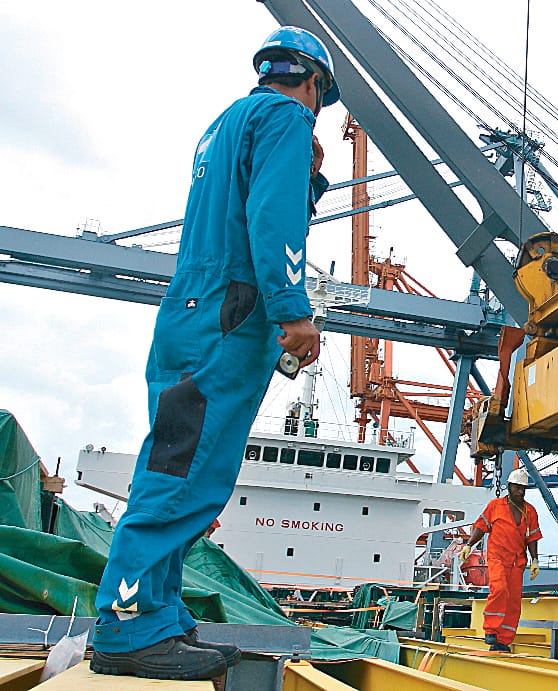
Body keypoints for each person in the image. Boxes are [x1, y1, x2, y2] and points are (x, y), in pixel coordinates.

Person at [89, 26, 339, 681]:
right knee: (182, 475)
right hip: (230, 316)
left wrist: (306, 180)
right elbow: (272, 221)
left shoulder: (225, 123)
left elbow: (245, 203)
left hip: (193, 309)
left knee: (181, 467)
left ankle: (158, 615)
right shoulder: (286, 116)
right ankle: (126, 627)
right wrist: (293, 311)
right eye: (322, 96)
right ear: (315, 83)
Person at [461, 468, 542, 652]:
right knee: (499, 589)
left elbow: (532, 538)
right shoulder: (495, 506)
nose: (521, 491)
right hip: (498, 558)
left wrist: (535, 560)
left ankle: (503, 641)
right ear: (509, 487)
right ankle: (491, 630)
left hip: (517, 562)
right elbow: (481, 526)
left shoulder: (530, 512)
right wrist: (468, 545)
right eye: (517, 487)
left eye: (524, 488)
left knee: (513, 601)